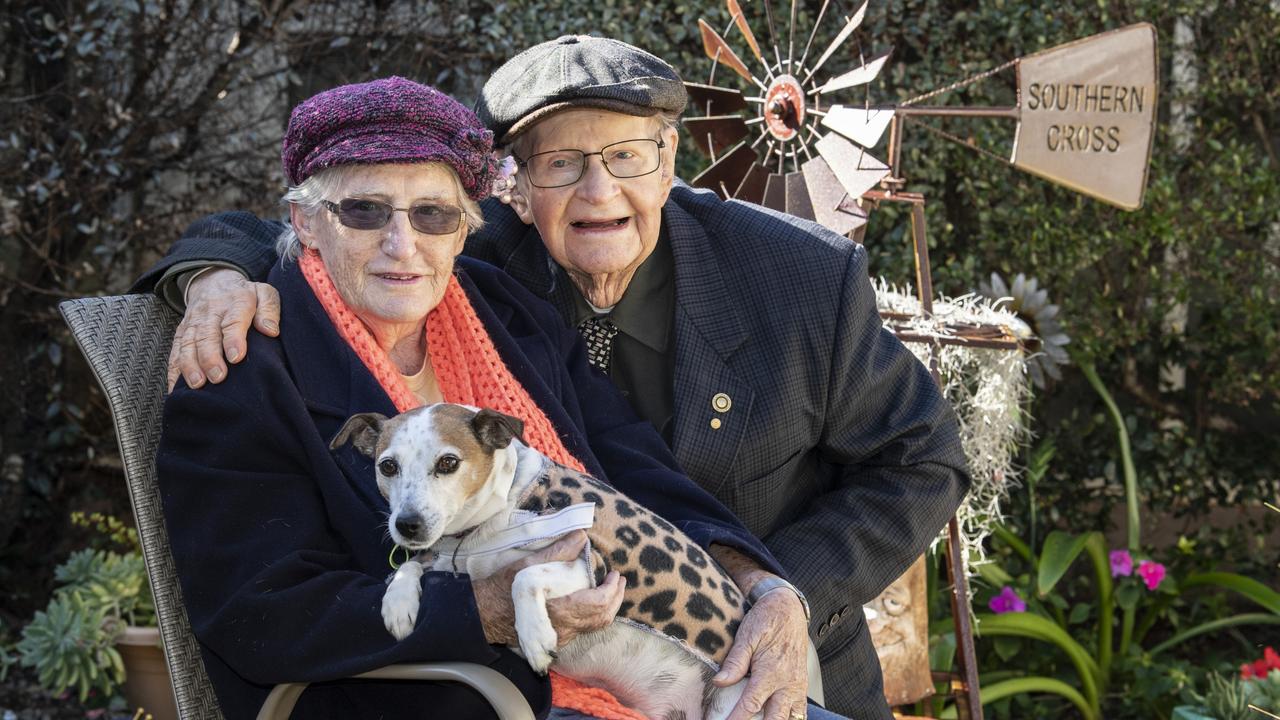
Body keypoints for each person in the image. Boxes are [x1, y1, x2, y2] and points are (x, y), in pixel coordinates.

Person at [138, 37, 971, 720]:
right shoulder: (263, 354)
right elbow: (261, 608)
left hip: (731, 661)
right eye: (362, 213)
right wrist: (212, 273)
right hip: (471, 695)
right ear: (516, 189)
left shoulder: (500, 301)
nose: (403, 244)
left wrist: (766, 583)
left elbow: (638, 468)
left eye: (431, 214)